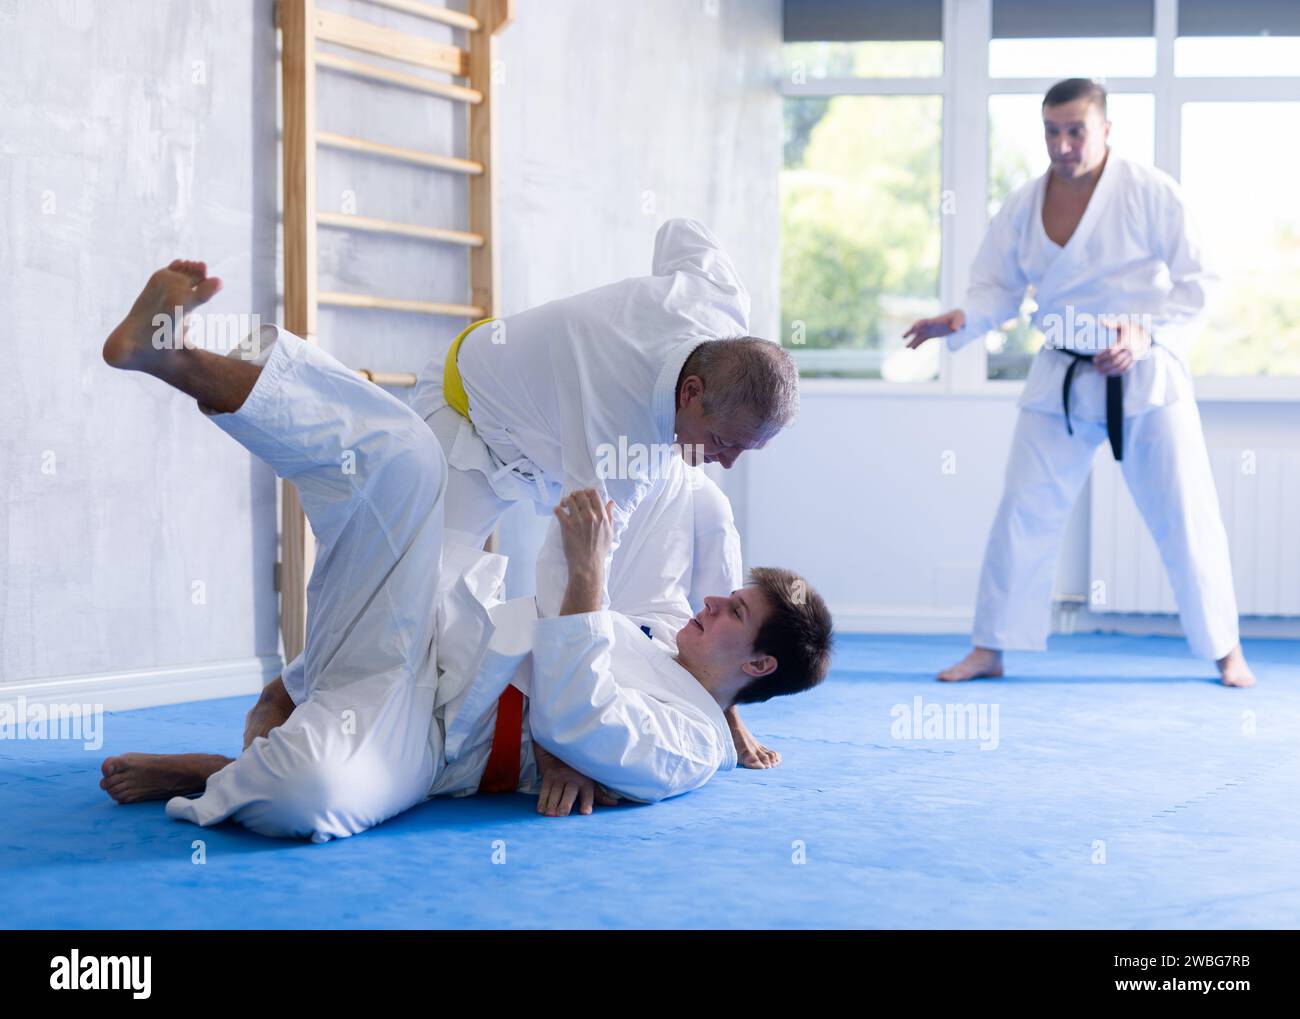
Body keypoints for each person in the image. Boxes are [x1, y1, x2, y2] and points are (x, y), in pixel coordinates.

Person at [97, 262, 832, 839]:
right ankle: (171, 355)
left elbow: (580, 718)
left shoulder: (692, 743)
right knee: (404, 457)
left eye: (734, 607)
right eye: (726, 592)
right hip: (438, 627)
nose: (712, 598)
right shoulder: (665, 632)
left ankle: (230, 767)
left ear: (759, 663)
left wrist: (587, 591)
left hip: (433, 732)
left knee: (310, 795)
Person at [904, 78, 1255, 688]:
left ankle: (1226, 650)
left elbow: (1202, 281)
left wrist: (1146, 334)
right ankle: (991, 646)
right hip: (1061, 372)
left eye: (1075, 131)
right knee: (1022, 511)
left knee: (1186, 514)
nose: (1062, 145)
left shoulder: (1150, 192)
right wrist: (963, 318)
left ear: (1106, 129)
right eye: (1051, 131)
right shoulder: (1023, 204)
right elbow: (997, 285)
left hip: (1145, 374)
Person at [412, 216, 800, 758]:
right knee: (417, 594)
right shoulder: (619, 444)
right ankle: (291, 696)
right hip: (470, 419)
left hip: (548, 427)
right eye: (721, 441)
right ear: (691, 392)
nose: (727, 461)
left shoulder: (718, 301)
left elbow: (680, 231)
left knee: (708, 500)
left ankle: (725, 698)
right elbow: (565, 576)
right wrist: (559, 744)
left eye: (744, 450)